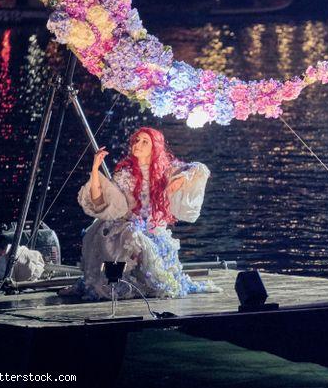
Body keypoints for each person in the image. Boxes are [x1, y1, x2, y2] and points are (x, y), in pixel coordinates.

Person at [62, 127, 219, 300]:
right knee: (128, 235)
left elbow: (198, 168)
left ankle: (144, 282)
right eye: (137, 140)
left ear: (155, 147)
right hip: (125, 225)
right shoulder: (125, 174)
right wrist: (95, 169)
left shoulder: (165, 170)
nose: (138, 144)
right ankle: (116, 283)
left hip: (153, 229)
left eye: (145, 142)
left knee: (150, 256)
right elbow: (100, 202)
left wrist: (181, 179)